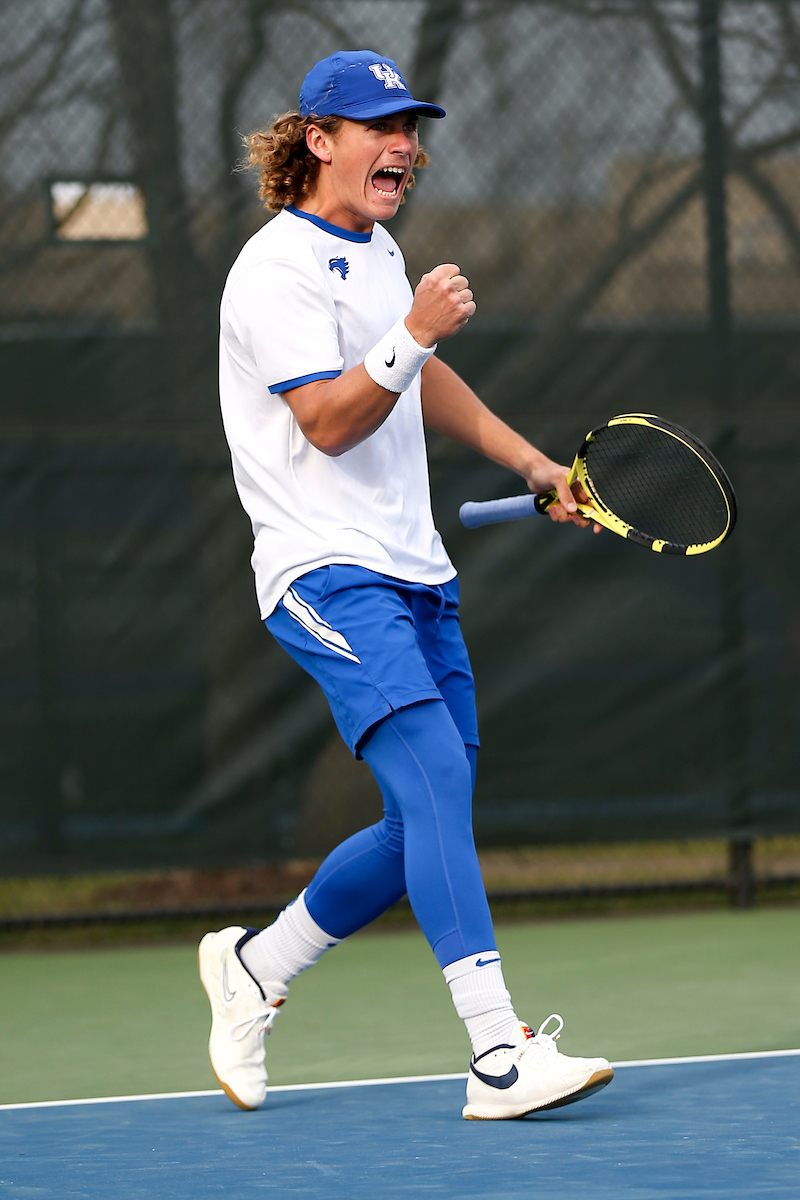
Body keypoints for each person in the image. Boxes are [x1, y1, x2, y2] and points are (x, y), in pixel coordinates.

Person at [199, 49, 611, 1121]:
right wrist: (415, 329)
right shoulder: (272, 270)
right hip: (321, 573)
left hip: (413, 570)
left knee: (426, 808)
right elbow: (330, 421)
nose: (403, 144)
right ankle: (496, 1056)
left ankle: (256, 966)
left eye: (410, 127)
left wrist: (525, 459)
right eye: (379, 125)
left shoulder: (376, 252)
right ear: (318, 140)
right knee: (430, 774)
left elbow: (416, 379)